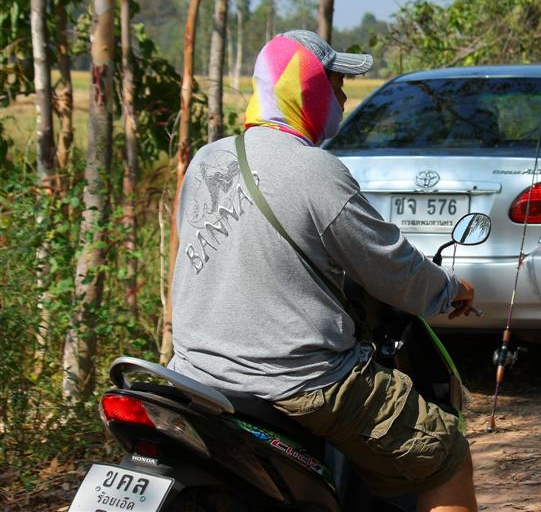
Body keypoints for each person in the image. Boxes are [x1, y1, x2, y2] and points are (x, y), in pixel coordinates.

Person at [168, 30, 478, 511]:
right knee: (445, 457)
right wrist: (450, 291)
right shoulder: (317, 170)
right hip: (301, 382)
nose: (343, 96)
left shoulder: (206, 160)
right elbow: (393, 267)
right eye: (335, 83)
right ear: (306, 89)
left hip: (195, 373)